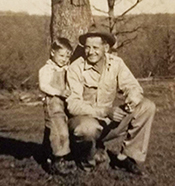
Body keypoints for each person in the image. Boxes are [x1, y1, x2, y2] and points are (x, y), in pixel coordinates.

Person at [66, 24, 156, 174]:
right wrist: (105, 111)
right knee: (87, 128)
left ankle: (127, 157)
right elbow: (73, 105)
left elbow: (133, 86)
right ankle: (86, 161)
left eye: (95, 47)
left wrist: (131, 101)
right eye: (87, 47)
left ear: (106, 48)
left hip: (109, 124)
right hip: (84, 122)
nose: (90, 52)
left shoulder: (116, 63)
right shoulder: (76, 68)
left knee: (147, 106)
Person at [39, 37, 73, 174]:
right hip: (53, 103)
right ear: (53, 53)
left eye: (67, 56)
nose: (64, 59)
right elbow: (44, 86)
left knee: (57, 130)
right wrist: (59, 92)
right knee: (59, 131)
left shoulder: (67, 68)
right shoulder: (47, 69)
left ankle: (47, 153)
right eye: (61, 55)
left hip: (64, 104)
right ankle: (58, 161)